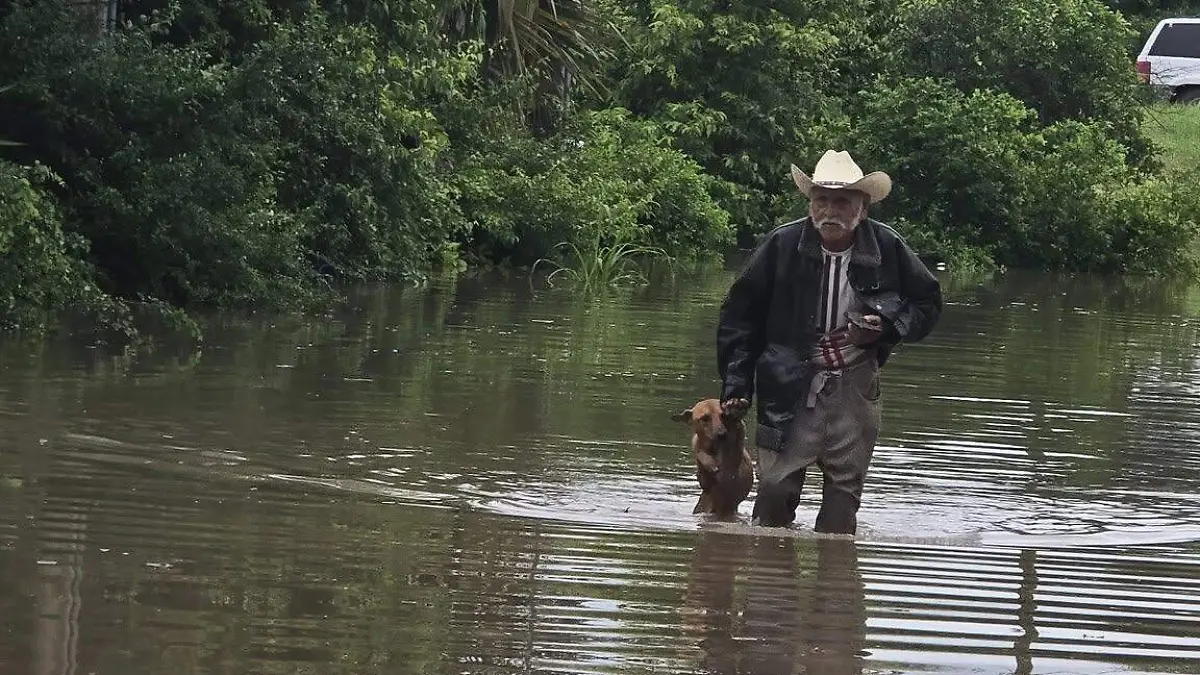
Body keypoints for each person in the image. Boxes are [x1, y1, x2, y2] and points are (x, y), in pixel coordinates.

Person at [716, 150, 942, 534]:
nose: (830, 211)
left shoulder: (888, 247)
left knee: (843, 499)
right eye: (821, 200)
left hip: (855, 385)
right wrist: (737, 385)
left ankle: (835, 586)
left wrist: (886, 326)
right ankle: (769, 582)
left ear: (863, 209)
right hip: (786, 381)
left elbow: (927, 303)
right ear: (810, 204)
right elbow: (739, 319)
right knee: (772, 491)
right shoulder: (780, 245)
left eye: (842, 202)